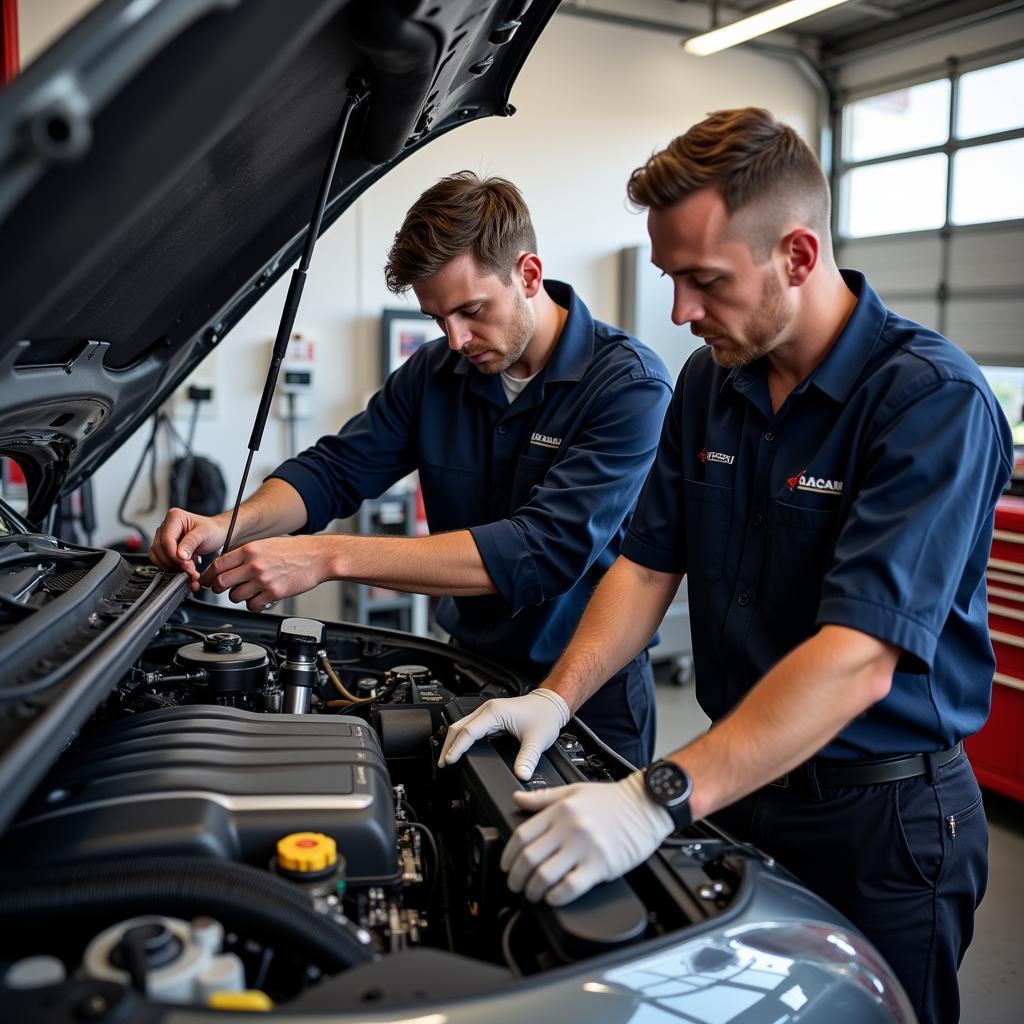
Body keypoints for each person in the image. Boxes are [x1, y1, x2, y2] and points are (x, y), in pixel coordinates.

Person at [439, 110, 1012, 1023]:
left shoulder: (929, 402)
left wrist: (653, 796)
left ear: (796, 253)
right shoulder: (713, 381)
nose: (680, 312)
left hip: (882, 820)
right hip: (742, 790)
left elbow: (858, 656)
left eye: (703, 281)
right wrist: (558, 694)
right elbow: (644, 566)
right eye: (671, 279)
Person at [149, 171, 673, 768]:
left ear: (528, 274)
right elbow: (336, 469)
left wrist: (327, 556)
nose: (455, 339)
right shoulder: (435, 373)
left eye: (471, 310)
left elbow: (540, 551)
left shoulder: (628, 385)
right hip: (472, 667)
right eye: (438, 318)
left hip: (588, 691)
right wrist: (229, 524)